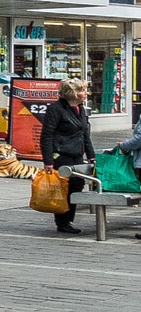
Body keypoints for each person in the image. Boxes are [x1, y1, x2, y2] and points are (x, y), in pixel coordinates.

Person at [39, 77, 96, 237]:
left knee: (77, 184)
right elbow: (46, 135)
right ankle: (62, 222)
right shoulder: (56, 109)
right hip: (61, 154)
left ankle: (68, 218)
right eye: (83, 90)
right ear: (74, 93)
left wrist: (91, 155)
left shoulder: (81, 109)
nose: (86, 93)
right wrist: (48, 160)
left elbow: (85, 134)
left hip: (76, 153)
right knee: (63, 187)